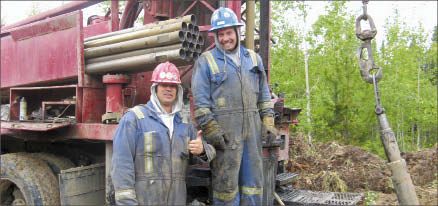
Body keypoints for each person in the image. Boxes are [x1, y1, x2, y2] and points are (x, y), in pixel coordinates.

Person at [191, 7, 277, 206]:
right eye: (220, 34)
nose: (224, 38)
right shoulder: (206, 61)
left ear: (237, 32)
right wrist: (213, 131)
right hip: (225, 137)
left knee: (253, 184)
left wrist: (268, 120)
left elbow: (264, 94)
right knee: (226, 189)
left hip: (252, 134)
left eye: (228, 33)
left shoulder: (254, 59)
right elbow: (201, 105)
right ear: (215, 36)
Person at [111, 61, 216, 205]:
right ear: (155, 88)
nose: (169, 89)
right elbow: (121, 166)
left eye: (173, 86)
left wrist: (202, 150)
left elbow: (209, 152)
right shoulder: (134, 119)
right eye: (164, 85)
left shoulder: (184, 124)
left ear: (178, 90)